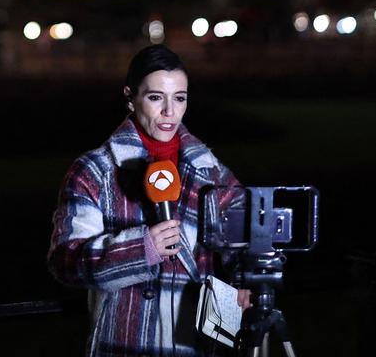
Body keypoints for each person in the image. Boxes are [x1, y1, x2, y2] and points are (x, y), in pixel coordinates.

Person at [48, 44, 249, 355]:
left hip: (198, 343)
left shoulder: (209, 169)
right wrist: (140, 249)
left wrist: (247, 278)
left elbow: (244, 231)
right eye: (156, 97)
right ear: (130, 97)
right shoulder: (94, 171)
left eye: (179, 98)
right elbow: (65, 261)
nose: (170, 112)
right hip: (126, 342)